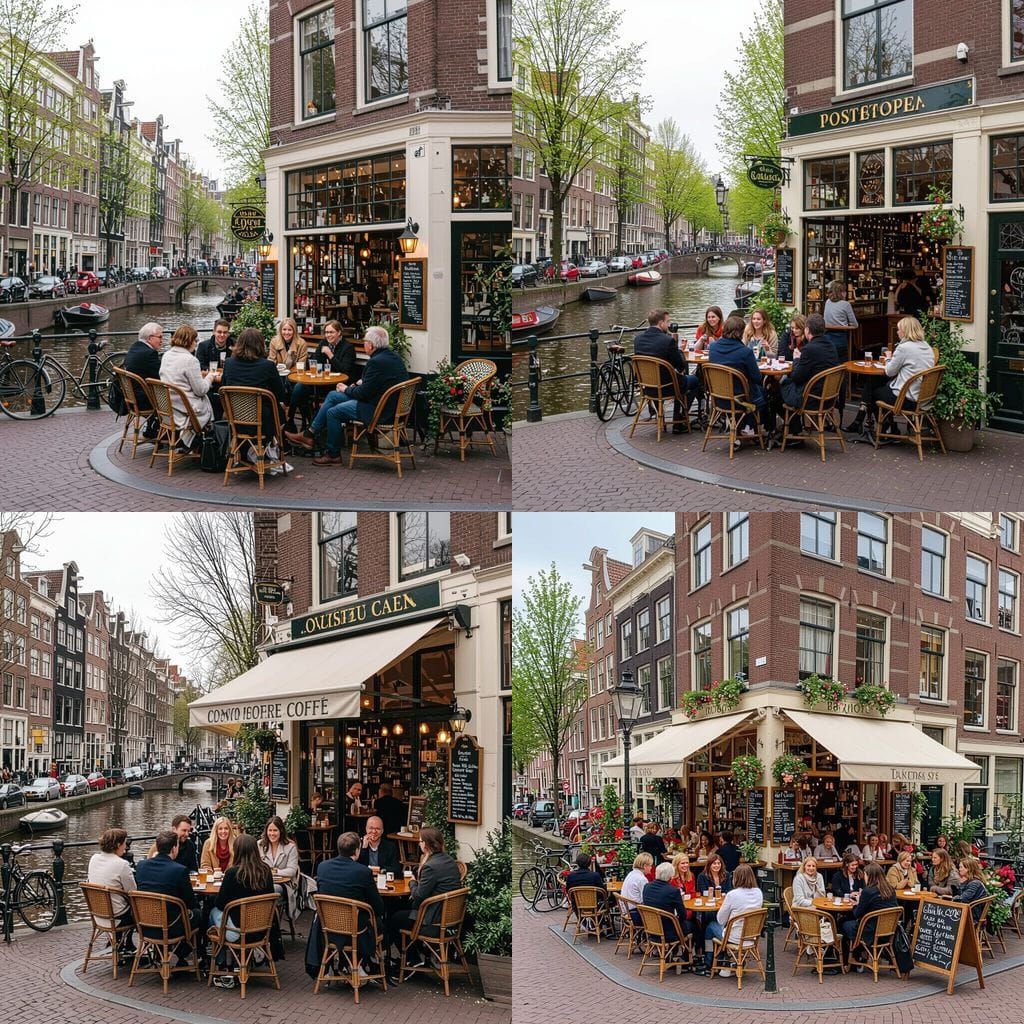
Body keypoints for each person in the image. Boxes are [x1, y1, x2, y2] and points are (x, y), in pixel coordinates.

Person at [285, 325, 408, 467]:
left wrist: (346, 389)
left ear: (371, 345)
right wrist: (360, 383)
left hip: (377, 409)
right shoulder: (393, 357)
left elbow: (363, 394)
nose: (364, 344)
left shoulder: (376, 362)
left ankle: (333, 454)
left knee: (333, 412)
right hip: (386, 404)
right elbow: (378, 383)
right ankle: (309, 434)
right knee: (332, 395)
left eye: (365, 342)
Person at [209, 834, 280, 988]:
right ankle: (240, 960)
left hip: (238, 931)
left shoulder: (232, 873)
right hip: (261, 929)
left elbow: (220, 904)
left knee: (212, 911)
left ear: (237, 851)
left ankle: (223, 964)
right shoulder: (265, 870)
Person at [845, 316, 935, 436]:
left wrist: (888, 359)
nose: (897, 332)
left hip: (906, 398)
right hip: (921, 397)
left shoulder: (904, 348)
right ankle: (884, 427)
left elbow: (889, 372)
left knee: (872, 390)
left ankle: (884, 427)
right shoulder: (927, 347)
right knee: (874, 384)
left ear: (905, 331)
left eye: (899, 329)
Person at [316, 830, 386, 975]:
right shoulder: (363, 872)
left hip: (328, 926)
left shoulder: (322, 867)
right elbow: (378, 907)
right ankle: (363, 964)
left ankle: (345, 963)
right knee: (377, 922)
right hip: (355, 930)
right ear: (356, 850)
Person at [134, 829, 202, 965]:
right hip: (170, 927)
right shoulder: (179, 870)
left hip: (144, 925)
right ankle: (182, 953)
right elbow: (190, 902)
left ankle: (161, 954)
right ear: (174, 848)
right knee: (198, 913)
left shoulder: (141, 866)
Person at [402, 826, 464, 966]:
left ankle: (412, 959)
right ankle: (424, 954)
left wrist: (412, 881)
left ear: (426, 844)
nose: (419, 844)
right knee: (403, 913)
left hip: (434, 921)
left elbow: (418, 896)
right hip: (450, 919)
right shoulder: (449, 861)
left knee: (393, 919)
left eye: (420, 841)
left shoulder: (431, 866)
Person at [633, 309, 699, 433]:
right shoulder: (667, 340)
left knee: (669, 378)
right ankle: (679, 420)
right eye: (667, 322)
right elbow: (679, 365)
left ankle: (659, 416)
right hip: (667, 387)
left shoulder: (638, 339)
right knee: (694, 380)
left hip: (647, 387)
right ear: (661, 323)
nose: (669, 325)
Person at [709, 314, 770, 440]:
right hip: (739, 400)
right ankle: (749, 427)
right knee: (762, 392)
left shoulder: (713, 348)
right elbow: (757, 377)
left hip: (718, 397)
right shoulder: (744, 352)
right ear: (741, 332)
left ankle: (737, 424)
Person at [288, 320, 357, 431]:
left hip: (337, 385)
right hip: (320, 382)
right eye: (326, 332)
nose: (328, 335)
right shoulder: (323, 343)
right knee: (299, 387)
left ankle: (311, 428)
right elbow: (314, 362)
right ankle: (292, 419)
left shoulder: (348, 348)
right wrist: (320, 355)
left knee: (317, 395)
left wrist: (330, 355)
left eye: (331, 332)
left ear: (339, 332)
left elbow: (345, 370)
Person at [779, 313, 840, 435]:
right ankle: (794, 429)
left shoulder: (809, 349)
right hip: (829, 398)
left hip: (811, 399)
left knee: (778, 389)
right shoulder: (831, 346)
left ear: (807, 330)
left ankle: (793, 431)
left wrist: (797, 359)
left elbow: (796, 377)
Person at [158, 325, 215, 448]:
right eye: (195, 340)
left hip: (169, 408)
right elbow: (201, 390)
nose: (196, 343)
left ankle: (193, 442)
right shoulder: (190, 360)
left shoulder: (166, 355)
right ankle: (208, 443)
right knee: (214, 400)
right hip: (186, 410)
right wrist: (210, 376)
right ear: (188, 341)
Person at [701, 864, 763, 976]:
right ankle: (727, 960)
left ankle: (709, 963)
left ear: (737, 878)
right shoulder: (758, 893)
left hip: (735, 937)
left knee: (710, 927)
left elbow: (720, 920)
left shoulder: (733, 895)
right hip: (752, 936)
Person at [87, 827, 137, 953]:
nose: (126, 847)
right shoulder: (122, 864)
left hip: (98, 913)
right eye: (125, 843)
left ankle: (120, 943)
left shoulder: (94, 859)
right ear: (119, 844)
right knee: (142, 911)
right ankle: (129, 946)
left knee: (123, 904)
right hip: (116, 917)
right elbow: (132, 892)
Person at [842, 862, 897, 966]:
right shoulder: (890, 889)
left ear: (870, 876)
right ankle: (864, 954)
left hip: (871, 931)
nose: (864, 878)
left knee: (843, 923)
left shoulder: (868, 891)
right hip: (889, 931)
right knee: (850, 923)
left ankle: (851, 958)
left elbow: (857, 914)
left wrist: (857, 903)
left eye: (865, 875)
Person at [642, 862, 693, 960]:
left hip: (651, 930)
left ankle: (672, 954)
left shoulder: (647, 887)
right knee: (693, 925)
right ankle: (686, 958)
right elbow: (683, 914)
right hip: (668, 932)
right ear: (671, 876)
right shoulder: (672, 891)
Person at [258, 816, 301, 921]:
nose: (272, 834)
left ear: (281, 831)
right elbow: (255, 866)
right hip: (263, 881)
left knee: (271, 890)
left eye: (275, 830)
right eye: (270, 830)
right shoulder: (259, 845)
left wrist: (275, 872)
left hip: (284, 884)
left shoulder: (290, 847)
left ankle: (267, 923)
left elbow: (291, 871)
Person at [123, 323, 163, 410]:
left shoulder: (135, 347)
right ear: (150, 338)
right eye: (160, 337)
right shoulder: (149, 353)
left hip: (131, 397)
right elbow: (160, 376)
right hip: (144, 400)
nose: (162, 341)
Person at [823, 279, 858, 362]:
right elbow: (855, 325)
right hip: (840, 339)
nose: (846, 293)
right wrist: (846, 325)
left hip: (827, 339)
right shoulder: (846, 304)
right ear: (841, 292)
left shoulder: (827, 302)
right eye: (844, 291)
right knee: (843, 364)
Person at [620, 853, 655, 919]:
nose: (651, 868)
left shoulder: (631, 874)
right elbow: (646, 899)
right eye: (650, 865)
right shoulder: (642, 879)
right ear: (645, 866)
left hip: (626, 910)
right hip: (635, 913)